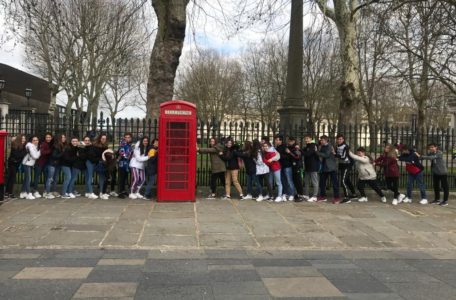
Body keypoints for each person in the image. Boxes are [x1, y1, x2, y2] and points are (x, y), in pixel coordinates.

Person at [317, 135, 340, 204]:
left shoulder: (329, 146)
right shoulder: (322, 146)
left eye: (322, 140)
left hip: (331, 167)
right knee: (322, 182)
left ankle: (337, 198)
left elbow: (326, 155)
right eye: (321, 140)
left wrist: (316, 152)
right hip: (324, 167)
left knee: (334, 183)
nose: (321, 141)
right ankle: (323, 196)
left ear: (326, 140)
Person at [335, 134, 357, 203]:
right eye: (338, 139)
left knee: (343, 181)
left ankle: (346, 197)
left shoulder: (345, 146)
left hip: (347, 165)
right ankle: (354, 194)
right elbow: (338, 155)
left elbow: (343, 157)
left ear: (343, 140)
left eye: (341, 139)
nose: (339, 140)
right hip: (341, 165)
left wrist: (335, 154)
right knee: (347, 180)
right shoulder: (337, 146)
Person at [5, 134, 27, 200]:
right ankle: (9, 193)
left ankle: (8, 192)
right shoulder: (15, 145)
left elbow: (20, 155)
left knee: (11, 178)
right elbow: (17, 155)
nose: (24, 140)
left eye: (24, 138)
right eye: (22, 138)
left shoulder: (22, 146)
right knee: (11, 178)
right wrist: (24, 152)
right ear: (19, 139)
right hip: (12, 164)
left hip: (16, 164)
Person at [45, 134, 66, 199]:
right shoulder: (56, 146)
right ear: (59, 138)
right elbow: (54, 156)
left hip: (57, 165)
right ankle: (47, 193)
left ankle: (54, 191)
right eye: (62, 137)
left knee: (55, 179)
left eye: (64, 137)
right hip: (52, 164)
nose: (64, 138)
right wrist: (62, 153)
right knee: (50, 178)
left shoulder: (61, 145)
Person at [274, 135, 296, 201]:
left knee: (289, 181)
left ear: (281, 141)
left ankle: (292, 194)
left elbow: (288, 156)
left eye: (278, 140)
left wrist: (279, 156)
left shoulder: (284, 147)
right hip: (281, 166)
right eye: (276, 140)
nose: (276, 141)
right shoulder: (277, 147)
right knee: (283, 180)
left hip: (287, 166)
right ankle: (285, 193)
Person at [32, 133, 52, 198]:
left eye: (49, 137)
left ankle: (45, 191)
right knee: (37, 178)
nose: (48, 138)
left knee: (46, 177)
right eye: (47, 137)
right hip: (39, 164)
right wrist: (49, 151)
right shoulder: (43, 144)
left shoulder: (49, 144)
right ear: (45, 138)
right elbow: (42, 152)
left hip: (44, 164)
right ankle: (35, 191)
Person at [90, 134, 109, 199]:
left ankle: (102, 192)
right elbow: (92, 157)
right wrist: (100, 159)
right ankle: (98, 192)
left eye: (105, 139)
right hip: (95, 163)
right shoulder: (94, 146)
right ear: (99, 139)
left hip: (102, 164)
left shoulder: (105, 146)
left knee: (103, 178)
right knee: (99, 178)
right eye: (102, 138)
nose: (104, 140)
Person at [302, 135, 320, 203]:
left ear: (311, 139)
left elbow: (307, 154)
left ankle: (315, 196)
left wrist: (301, 150)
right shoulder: (307, 146)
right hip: (307, 167)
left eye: (307, 138)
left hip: (313, 167)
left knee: (314, 182)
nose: (306, 140)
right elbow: (303, 153)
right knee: (306, 181)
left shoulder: (313, 145)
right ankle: (306, 195)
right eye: (305, 138)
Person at [287, 137, 304, 201]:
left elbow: (297, 156)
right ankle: (296, 194)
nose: (288, 142)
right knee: (294, 181)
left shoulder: (296, 147)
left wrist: (289, 153)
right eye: (288, 141)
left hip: (297, 166)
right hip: (293, 166)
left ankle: (300, 195)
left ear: (293, 141)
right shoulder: (290, 147)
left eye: (289, 141)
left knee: (298, 181)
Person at [116, 133, 133, 199]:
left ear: (131, 138)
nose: (127, 138)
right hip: (122, 164)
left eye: (128, 137)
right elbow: (122, 152)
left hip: (127, 164)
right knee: (121, 179)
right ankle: (120, 193)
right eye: (126, 137)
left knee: (125, 178)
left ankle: (123, 191)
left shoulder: (129, 144)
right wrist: (128, 157)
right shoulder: (123, 143)